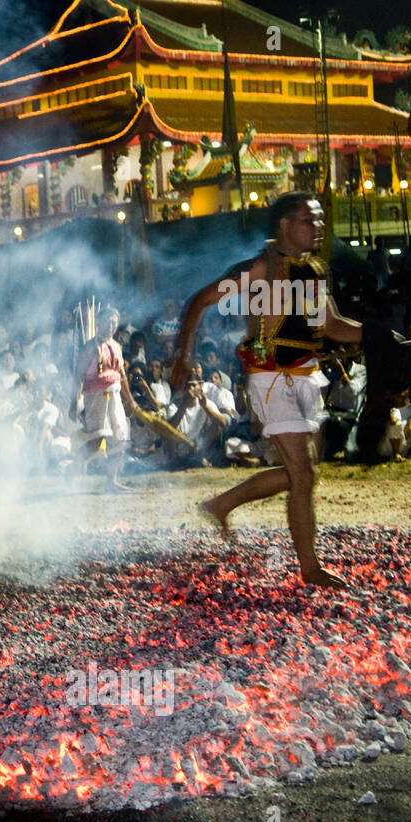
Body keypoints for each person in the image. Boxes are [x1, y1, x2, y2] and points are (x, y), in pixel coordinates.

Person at [171, 192, 363, 588]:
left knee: (303, 474)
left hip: (308, 375)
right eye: (310, 220)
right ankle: (310, 569)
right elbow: (201, 300)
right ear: (285, 225)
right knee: (304, 474)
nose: (319, 227)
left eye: (320, 220)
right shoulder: (259, 269)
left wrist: (374, 334)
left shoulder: (314, 271)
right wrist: (183, 356)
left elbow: (331, 325)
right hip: (270, 376)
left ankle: (222, 503)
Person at [74, 305, 134, 492]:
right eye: (107, 321)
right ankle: (76, 463)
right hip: (96, 396)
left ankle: (112, 480)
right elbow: (79, 375)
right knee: (99, 436)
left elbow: (122, 374)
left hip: (114, 393)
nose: (111, 325)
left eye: (114, 322)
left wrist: (130, 399)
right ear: (98, 323)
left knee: (121, 436)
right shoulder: (90, 347)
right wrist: (74, 402)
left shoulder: (117, 346)